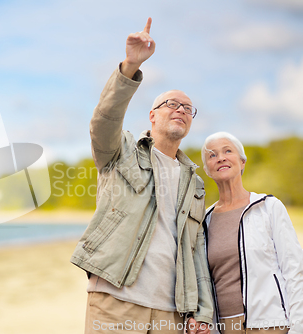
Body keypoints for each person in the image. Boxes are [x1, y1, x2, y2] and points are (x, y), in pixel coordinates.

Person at [70, 17, 213, 334]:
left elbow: (195, 249)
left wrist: (201, 311)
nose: (181, 110)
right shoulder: (121, 152)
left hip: (172, 314)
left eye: (188, 108)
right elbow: (103, 121)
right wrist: (130, 66)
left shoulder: (196, 183)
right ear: (152, 115)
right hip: (115, 303)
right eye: (171, 104)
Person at [201, 132, 303, 334]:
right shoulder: (204, 220)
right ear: (207, 170)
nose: (220, 157)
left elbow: (294, 270)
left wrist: (298, 327)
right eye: (212, 155)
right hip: (223, 328)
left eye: (227, 151)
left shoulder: (268, 207)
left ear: (242, 162)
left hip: (270, 325)